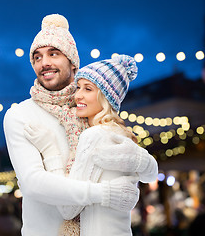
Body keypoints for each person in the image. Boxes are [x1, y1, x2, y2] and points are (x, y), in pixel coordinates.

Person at [3, 13, 142, 236]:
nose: (44, 62)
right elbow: (33, 183)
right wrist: (104, 193)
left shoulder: (91, 108)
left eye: (54, 54)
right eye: (37, 57)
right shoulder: (20, 114)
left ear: (73, 62)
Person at [24, 55, 158, 235]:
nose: (78, 95)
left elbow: (67, 208)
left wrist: (50, 151)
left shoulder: (94, 135)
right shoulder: (120, 135)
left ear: (106, 97)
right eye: (78, 87)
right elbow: (150, 172)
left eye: (88, 89)